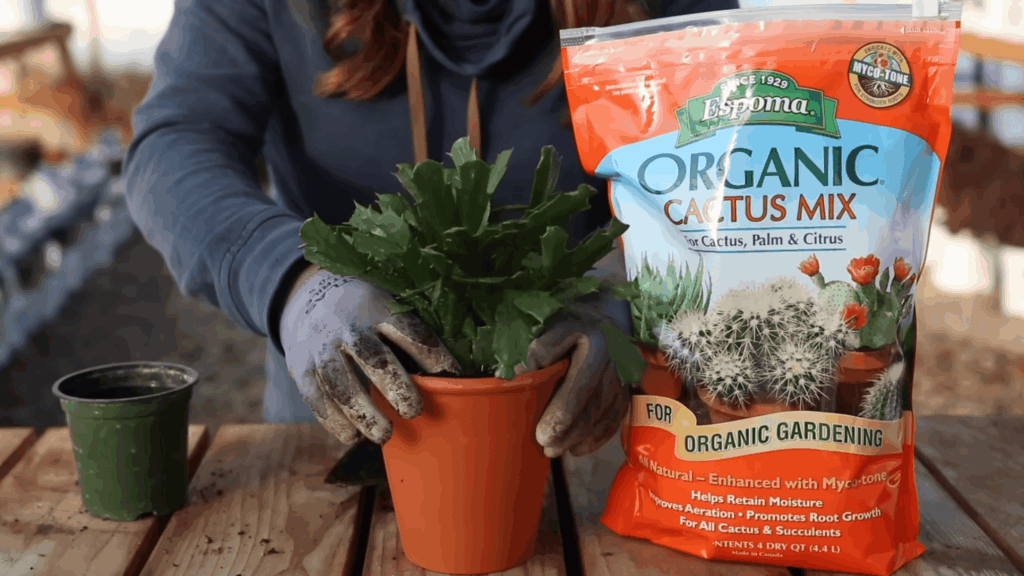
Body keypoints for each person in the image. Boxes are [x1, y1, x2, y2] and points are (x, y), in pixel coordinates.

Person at [124, 0, 738, 457]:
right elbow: (176, 145)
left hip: (584, 419)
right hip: (346, 418)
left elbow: (728, 168)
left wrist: (626, 293)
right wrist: (291, 277)